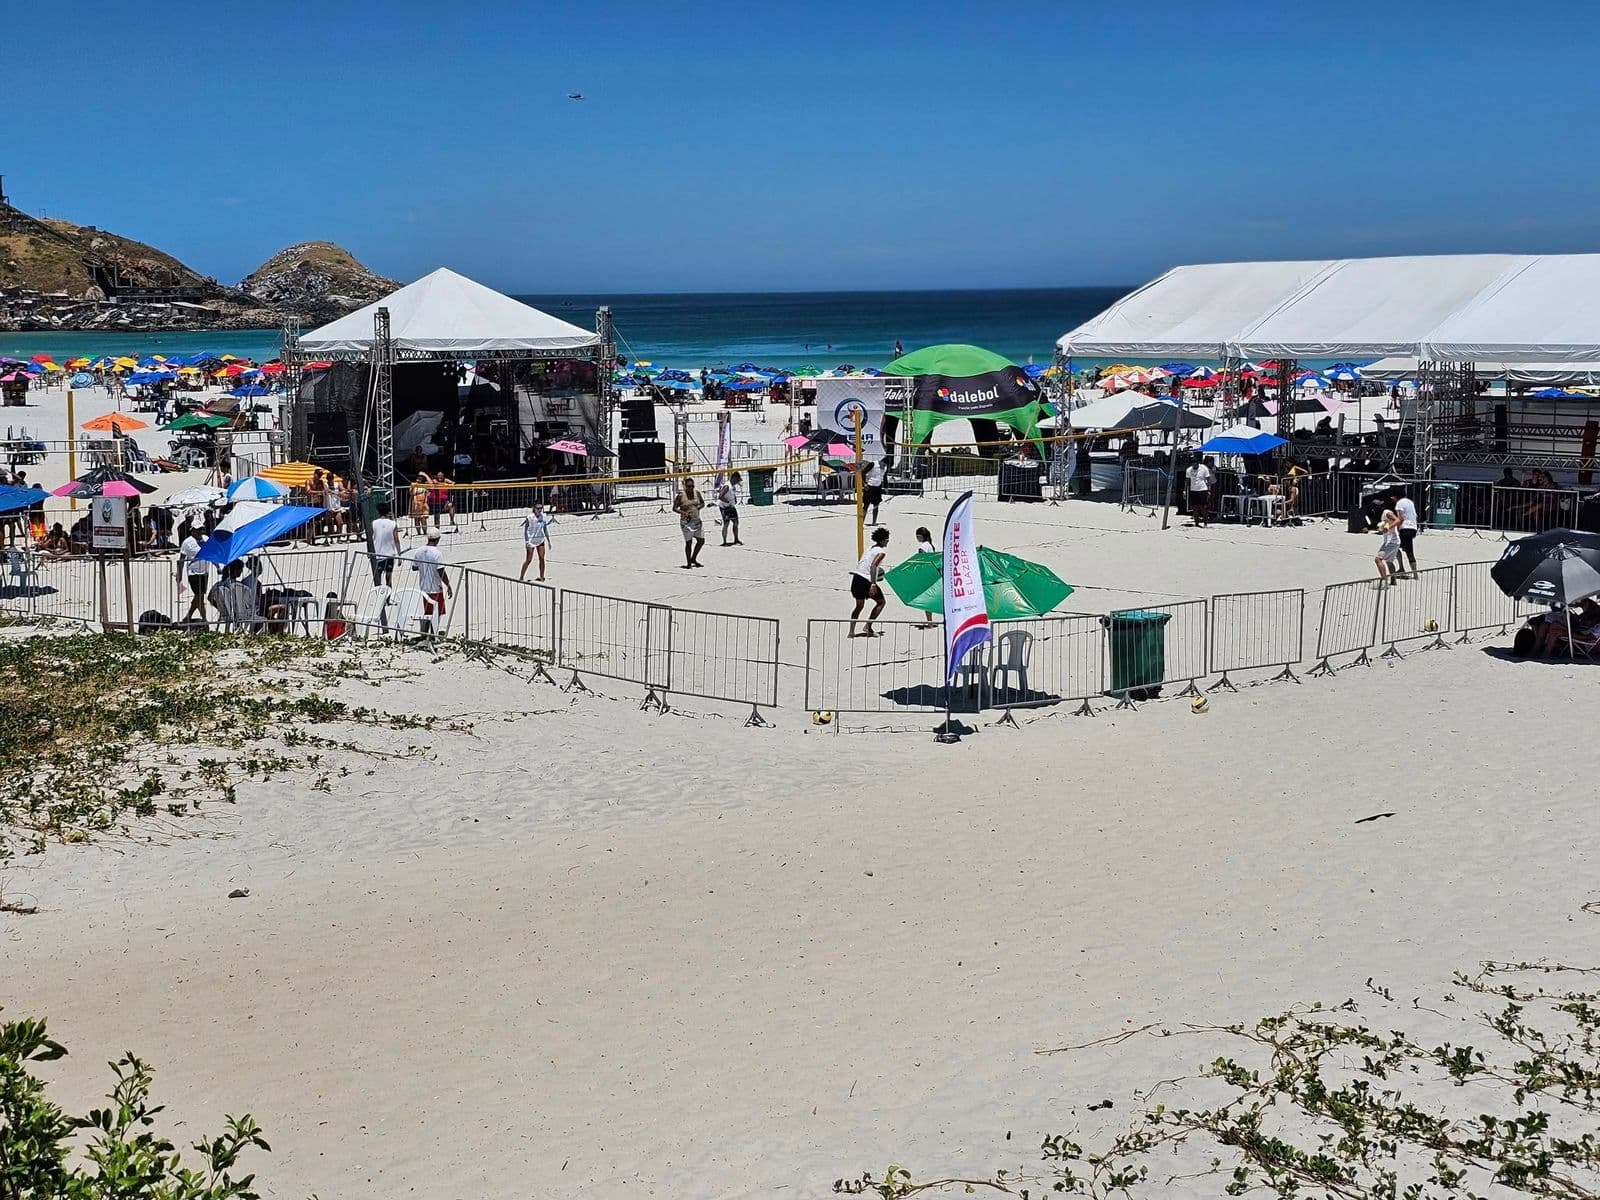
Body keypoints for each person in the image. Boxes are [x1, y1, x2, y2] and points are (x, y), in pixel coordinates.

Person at [849, 527, 891, 638]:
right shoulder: (881, 552)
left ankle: (851, 632)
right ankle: (868, 626)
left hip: (856, 577)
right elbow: (873, 566)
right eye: (887, 539)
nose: (888, 541)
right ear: (882, 540)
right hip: (866, 580)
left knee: (859, 606)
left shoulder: (870, 548)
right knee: (881, 602)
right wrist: (873, 584)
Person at [412, 531, 452, 633]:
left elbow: (414, 567)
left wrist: (424, 566)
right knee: (438, 612)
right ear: (438, 539)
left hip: (423, 586)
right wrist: (448, 585)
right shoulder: (437, 553)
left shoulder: (419, 551)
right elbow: (441, 571)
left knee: (428, 612)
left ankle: (426, 632)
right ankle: (434, 633)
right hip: (435, 586)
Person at [178, 529, 210, 623]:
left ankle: (188, 616)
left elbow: (210, 553)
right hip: (193, 573)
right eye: (197, 530)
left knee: (200, 596)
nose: (200, 532)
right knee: (199, 596)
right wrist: (179, 574)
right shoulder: (187, 542)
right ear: (192, 531)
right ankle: (204, 620)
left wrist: (217, 566)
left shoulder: (206, 539)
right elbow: (181, 560)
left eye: (201, 529)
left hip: (205, 572)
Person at [673, 478, 706, 568]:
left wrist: (699, 507)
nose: (691, 488)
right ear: (685, 486)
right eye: (689, 486)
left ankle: (693, 558)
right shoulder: (681, 495)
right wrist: (684, 513)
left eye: (692, 486)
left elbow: (703, 503)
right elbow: (674, 508)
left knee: (701, 541)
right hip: (686, 522)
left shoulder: (697, 493)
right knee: (689, 542)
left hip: (696, 520)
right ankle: (688, 563)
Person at [1390, 489, 1419, 578]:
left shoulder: (1399, 504)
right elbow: (1415, 515)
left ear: (1396, 497)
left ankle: (1404, 569)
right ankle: (1414, 573)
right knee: (1408, 549)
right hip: (1413, 528)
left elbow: (1400, 518)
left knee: (1395, 546)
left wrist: (1394, 528)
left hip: (1405, 528)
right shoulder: (1410, 502)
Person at [520, 501, 551, 582]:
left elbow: (545, 529)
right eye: (538, 508)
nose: (540, 510)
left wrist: (548, 540)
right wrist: (527, 542)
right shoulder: (530, 517)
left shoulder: (543, 516)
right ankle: (521, 577)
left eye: (541, 508)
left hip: (540, 540)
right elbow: (526, 530)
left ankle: (541, 577)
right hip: (531, 541)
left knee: (542, 558)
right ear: (534, 508)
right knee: (528, 560)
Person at [369, 509, 402, 586]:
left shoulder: (374, 523)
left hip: (377, 555)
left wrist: (369, 552)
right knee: (389, 579)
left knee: (377, 580)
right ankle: (388, 596)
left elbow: (370, 539)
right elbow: (396, 540)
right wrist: (399, 555)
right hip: (389, 555)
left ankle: (379, 597)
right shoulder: (393, 523)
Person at [914, 526, 937, 628]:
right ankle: (930, 621)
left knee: (927, 599)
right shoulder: (931, 545)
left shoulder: (923, 547)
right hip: (932, 573)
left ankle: (929, 622)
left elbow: (921, 560)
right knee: (931, 597)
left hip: (925, 575)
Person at [1373, 506, 1402, 587]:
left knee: (1378, 559)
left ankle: (1384, 581)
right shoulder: (1383, 515)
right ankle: (1393, 581)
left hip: (1391, 542)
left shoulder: (1386, 512)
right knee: (1389, 562)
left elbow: (1397, 520)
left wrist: (1388, 527)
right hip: (1394, 542)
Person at [1186, 455, 1215, 526]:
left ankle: (1205, 522)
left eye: (1195, 463)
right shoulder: (1189, 470)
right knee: (1195, 507)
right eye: (1192, 463)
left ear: (1198, 463)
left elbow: (1208, 480)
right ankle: (1196, 522)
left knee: (1203, 507)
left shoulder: (1204, 468)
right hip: (1193, 490)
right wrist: (1185, 490)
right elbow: (1187, 481)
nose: (1194, 464)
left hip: (1202, 489)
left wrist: (1209, 490)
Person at [716, 473, 742, 547]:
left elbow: (732, 494)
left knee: (736, 522)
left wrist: (734, 500)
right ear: (734, 478)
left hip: (731, 507)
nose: (737, 482)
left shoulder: (732, 486)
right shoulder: (727, 486)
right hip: (725, 507)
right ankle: (724, 542)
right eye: (737, 480)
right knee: (726, 524)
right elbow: (720, 496)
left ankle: (736, 539)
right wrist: (728, 502)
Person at [862, 459, 885, 525]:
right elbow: (862, 472)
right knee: (866, 505)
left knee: (876, 505)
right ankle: (861, 522)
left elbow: (884, 477)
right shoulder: (873, 464)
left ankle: (874, 522)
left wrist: (885, 487)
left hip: (878, 487)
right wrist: (864, 484)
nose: (884, 466)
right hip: (869, 486)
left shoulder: (885, 467)